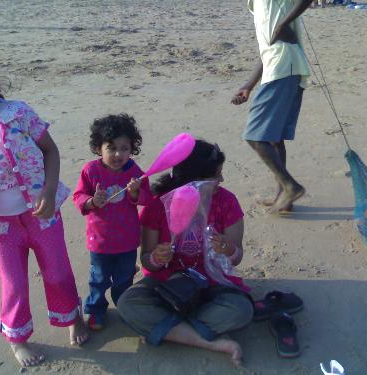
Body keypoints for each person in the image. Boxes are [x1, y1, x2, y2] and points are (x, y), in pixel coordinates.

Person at [0, 40, 88, 367]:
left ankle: (72, 317)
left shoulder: (19, 114)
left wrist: (49, 193)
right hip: (1, 226)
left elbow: (50, 151)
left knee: (58, 273)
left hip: (43, 215)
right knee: (14, 283)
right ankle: (16, 338)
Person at [117, 140, 254, 366]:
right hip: (167, 284)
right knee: (127, 303)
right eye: (216, 175)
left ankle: (170, 328)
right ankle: (211, 341)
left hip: (211, 282)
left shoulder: (226, 202)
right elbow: (147, 263)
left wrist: (227, 249)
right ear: (195, 181)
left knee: (241, 310)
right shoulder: (158, 206)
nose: (222, 180)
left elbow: (237, 257)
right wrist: (156, 258)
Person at [231, 0, 313, 213]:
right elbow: (268, 46)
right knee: (274, 138)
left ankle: (290, 187)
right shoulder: (255, 4)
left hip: (284, 65)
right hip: (278, 66)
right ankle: (283, 197)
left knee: (255, 135)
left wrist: (283, 24)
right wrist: (249, 85)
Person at [72, 113, 151, 331]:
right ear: (99, 148)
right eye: (111, 148)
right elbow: (78, 196)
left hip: (127, 240)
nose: (118, 154)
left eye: (124, 148)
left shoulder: (134, 172)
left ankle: (125, 307)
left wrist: (135, 192)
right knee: (98, 279)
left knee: (124, 279)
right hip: (100, 240)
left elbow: (147, 198)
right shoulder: (90, 171)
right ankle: (96, 310)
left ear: (132, 148)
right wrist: (91, 201)